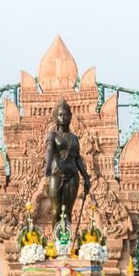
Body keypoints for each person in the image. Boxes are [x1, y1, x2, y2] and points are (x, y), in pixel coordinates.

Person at [44, 98, 90, 229]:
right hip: (56, 174)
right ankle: (57, 243)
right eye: (60, 115)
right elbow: (49, 150)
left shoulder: (74, 138)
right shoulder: (52, 135)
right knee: (56, 211)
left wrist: (86, 176)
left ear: (70, 117)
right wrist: (47, 165)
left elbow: (77, 158)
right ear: (56, 117)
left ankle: (67, 243)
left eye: (65, 114)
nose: (63, 117)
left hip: (72, 176)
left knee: (67, 212)